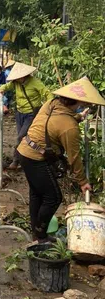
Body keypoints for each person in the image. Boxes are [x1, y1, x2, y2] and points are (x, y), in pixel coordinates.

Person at [17, 77, 101, 243]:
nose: (84, 106)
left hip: (24, 150)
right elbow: (74, 157)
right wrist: (83, 182)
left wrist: (78, 117)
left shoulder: (51, 104)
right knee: (53, 197)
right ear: (78, 102)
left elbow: (59, 119)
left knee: (37, 194)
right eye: (83, 103)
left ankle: (36, 232)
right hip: (36, 158)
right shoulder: (70, 128)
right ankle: (41, 235)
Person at [0, 62, 53, 170]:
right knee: (22, 136)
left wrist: (49, 107)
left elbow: (48, 94)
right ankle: (26, 157)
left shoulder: (35, 83)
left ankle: (16, 160)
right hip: (19, 112)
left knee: (21, 137)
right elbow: (7, 86)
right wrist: (1, 89)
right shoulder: (15, 83)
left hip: (31, 113)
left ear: (24, 76)